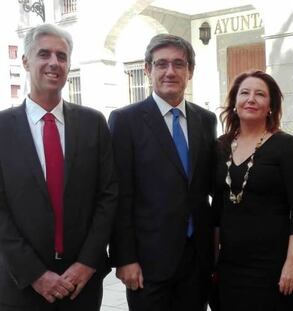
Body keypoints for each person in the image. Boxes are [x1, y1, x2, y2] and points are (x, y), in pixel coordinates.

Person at [0, 24, 118, 310]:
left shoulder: (93, 124)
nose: (54, 63)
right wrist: (36, 275)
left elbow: (108, 195)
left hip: (82, 285)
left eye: (62, 56)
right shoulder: (2, 128)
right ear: (26, 61)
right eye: (44, 54)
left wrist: (88, 263)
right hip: (22, 285)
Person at [108, 34, 217, 311]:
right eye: (161, 64)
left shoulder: (205, 120)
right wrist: (125, 258)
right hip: (147, 263)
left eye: (179, 64)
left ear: (190, 71)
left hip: (196, 260)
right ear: (148, 69)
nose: (170, 72)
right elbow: (120, 194)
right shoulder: (125, 121)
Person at [213, 70, 293, 311]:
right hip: (229, 264)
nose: (251, 99)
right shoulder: (221, 146)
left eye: (260, 94)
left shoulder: (285, 146)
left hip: (271, 265)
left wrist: (292, 262)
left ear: (270, 106)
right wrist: (212, 260)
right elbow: (217, 206)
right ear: (235, 102)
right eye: (244, 93)